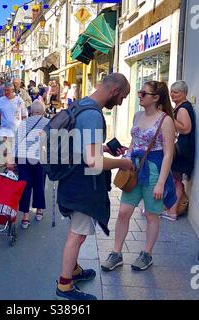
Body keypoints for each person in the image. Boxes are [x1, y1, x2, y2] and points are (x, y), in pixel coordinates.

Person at [56, 73, 132, 300]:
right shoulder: (93, 115)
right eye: (123, 97)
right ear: (115, 91)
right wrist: (122, 163)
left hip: (72, 179)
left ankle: (75, 270)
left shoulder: (82, 105)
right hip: (82, 184)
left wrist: (105, 149)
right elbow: (93, 161)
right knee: (77, 235)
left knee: (77, 232)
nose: (121, 103)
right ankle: (65, 285)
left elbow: (84, 148)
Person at [101, 81, 176, 274]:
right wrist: (126, 158)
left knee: (152, 215)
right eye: (139, 92)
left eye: (144, 93)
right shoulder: (137, 116)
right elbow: (134, 142)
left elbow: (168, 153)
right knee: (124, 212)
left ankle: (147, 253)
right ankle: (116, 253)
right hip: (134, 169)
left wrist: (160, 182)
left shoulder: (165, 120)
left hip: (153, 171)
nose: (139, 95)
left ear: (156, 98)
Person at [161, 81, 196, 221]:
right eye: (172, 91)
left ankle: (173, 211)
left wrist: (169, 118)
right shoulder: (180, 107)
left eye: (177, 92)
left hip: (182, 150)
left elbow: (186, 128)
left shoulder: (183, 108)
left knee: (176, 181)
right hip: (181, 149)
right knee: (176, 180)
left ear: (184, 93)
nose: (173, 94)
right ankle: (171, 209)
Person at [14, 100, 50, 229]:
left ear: (31, 111)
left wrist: (13, 159)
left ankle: (25, 216)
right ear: (43, 111)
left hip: (23, 157)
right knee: (39, 183)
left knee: (25, 185)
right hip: (39, 158)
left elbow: (16, 142)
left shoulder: (24, 123)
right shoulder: (47, 123)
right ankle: (39, 210)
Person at [0, 83, 27, 167]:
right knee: (7, 150)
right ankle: (7, 165)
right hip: (5, 130)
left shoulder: (19, 100)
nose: (6, 92)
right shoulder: (1, 100)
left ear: (13, 90)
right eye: (5, 90)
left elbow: (24, 116)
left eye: (8, 90)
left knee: (12, 152)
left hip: (17, 130)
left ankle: (9, 167)